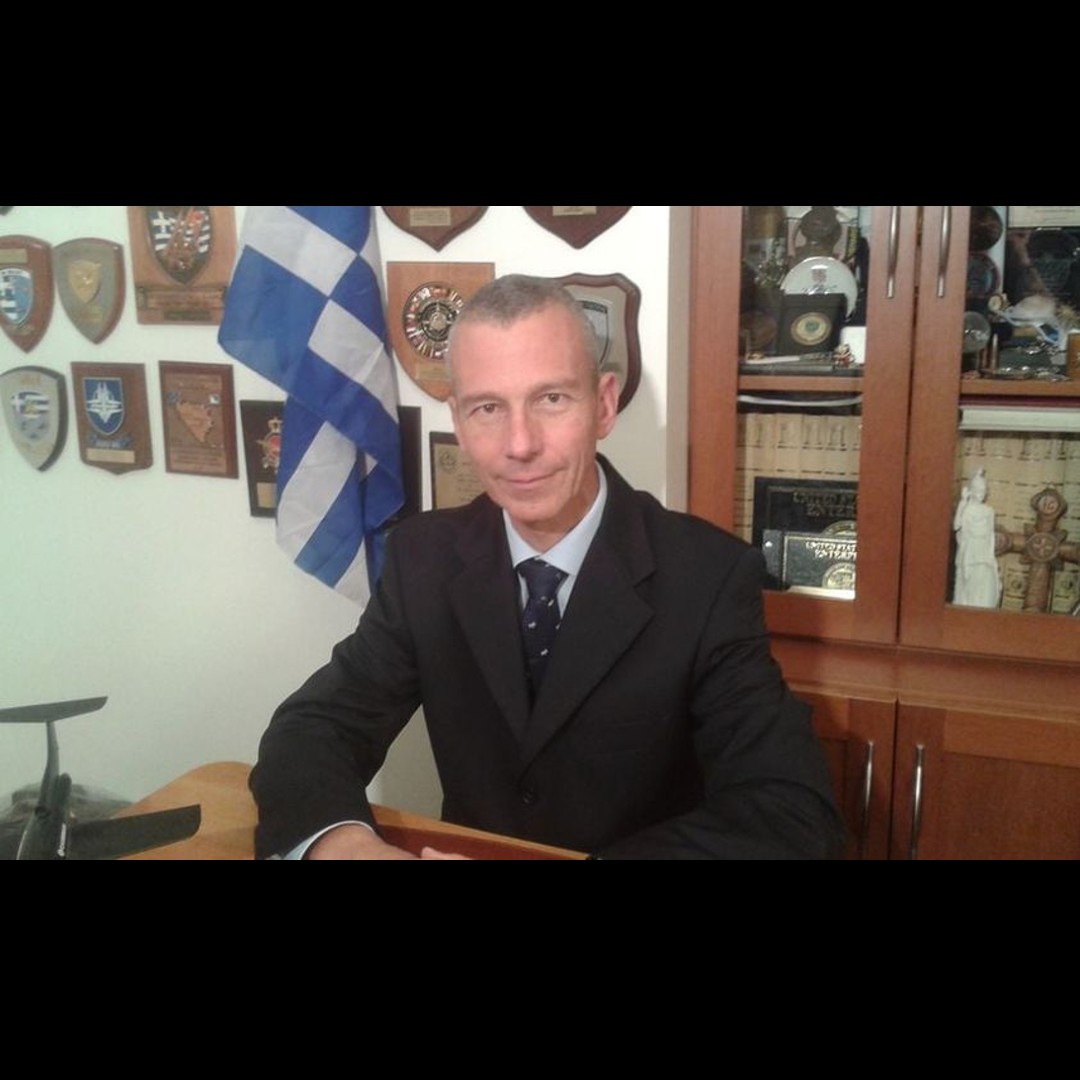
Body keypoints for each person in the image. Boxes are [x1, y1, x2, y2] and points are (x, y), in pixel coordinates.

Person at [250, 275, 846, 860]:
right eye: (488, 407)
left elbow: (790, 811)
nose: (520, 444)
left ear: (604, 406)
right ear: (459, 423)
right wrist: (344, 845)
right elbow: (314, 728)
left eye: (551, 399)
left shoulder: (709, 576)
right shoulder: (421, 558)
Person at [953, 468, 1002, 609]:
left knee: (985, 590)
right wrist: (962, 502)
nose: (981, 494)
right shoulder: (967, 509)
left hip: (983, 556)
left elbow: (990, 536)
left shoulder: (989, 511)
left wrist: (992, 560)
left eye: (983, 491)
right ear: (972, 491)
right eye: (978, 490)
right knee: (966, 591)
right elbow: (956, 526)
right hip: (969, 554)